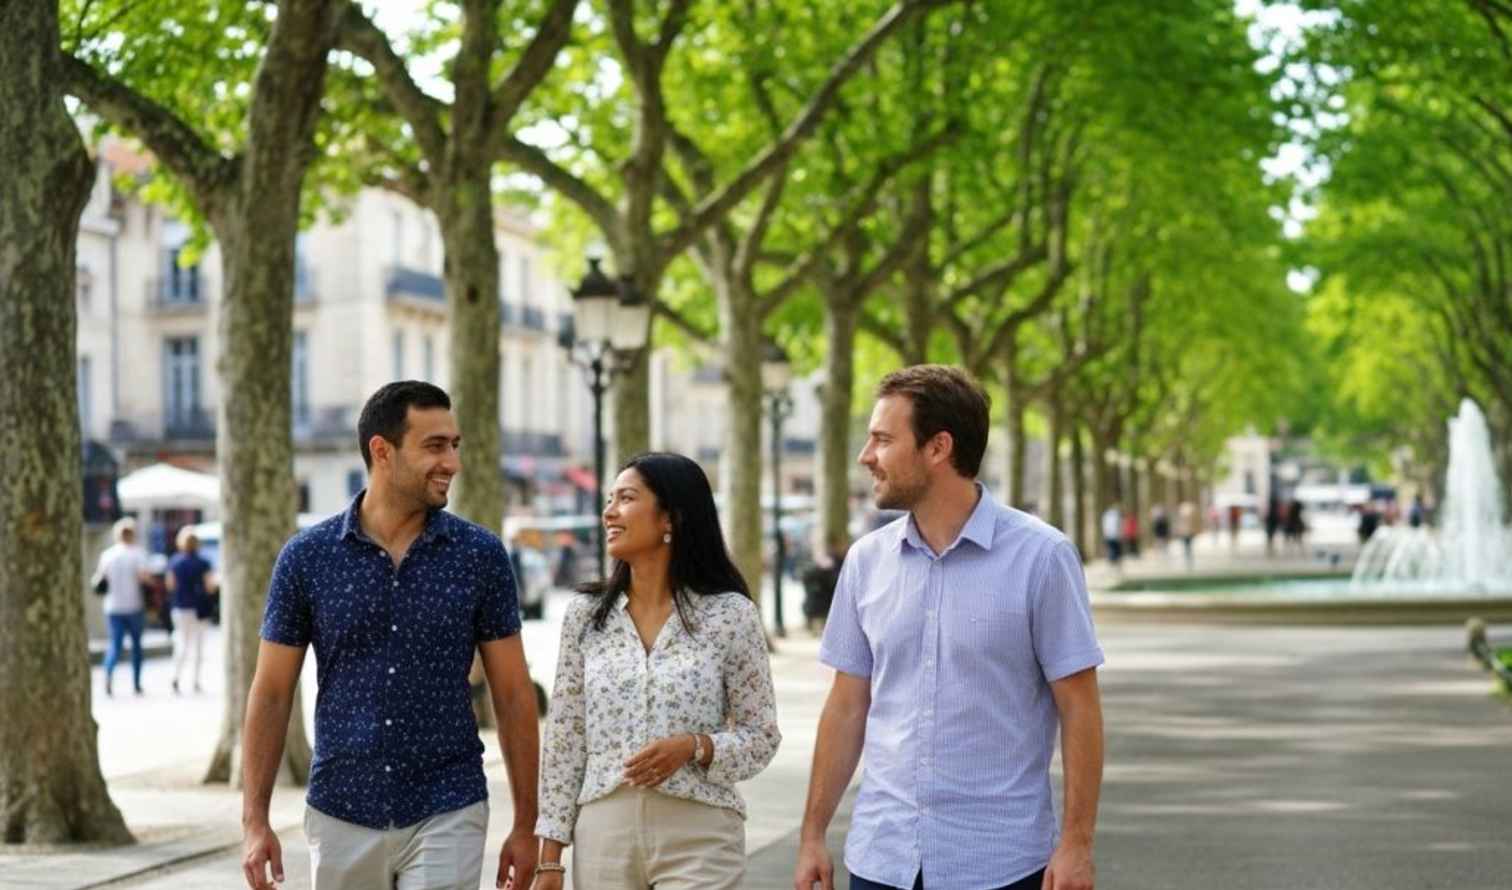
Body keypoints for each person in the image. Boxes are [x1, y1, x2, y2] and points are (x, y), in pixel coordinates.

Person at [795, 365, 1104, 890]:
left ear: (937, 448)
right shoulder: (867, 561)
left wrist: (1076, 844)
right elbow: (847, 704)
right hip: (881, 858)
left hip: (999, 862)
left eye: (883, 440)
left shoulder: (1042, 557)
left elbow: (1079, 707)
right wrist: (812, 835)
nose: (866, 456)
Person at [240, 381, 540, 890]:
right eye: (435, 446)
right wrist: (254, 820)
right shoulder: (307, 558)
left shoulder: (480, 556)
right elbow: (271, 692)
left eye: (455, 445)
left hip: (449, 802)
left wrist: (527, 824)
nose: (452, 462)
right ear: (382, 451)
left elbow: (512, 693)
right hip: (341, 807)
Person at [535, 452, 780, 890]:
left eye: (626, 498)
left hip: (700, 834)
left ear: (671, 517)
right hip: (603, 835)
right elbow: (565, 737)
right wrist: (550, 859)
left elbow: (761, 737)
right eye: (610, 499)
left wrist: (695, 746)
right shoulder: (585, 616)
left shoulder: (730, 615)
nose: (609, 511)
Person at [91, 516, 154, 697]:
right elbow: (145, 578)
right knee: (136, 646)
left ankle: (108, 673)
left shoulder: (108, 555)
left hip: (113, 606)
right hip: (134, 605)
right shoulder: (138, 554)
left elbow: (100, 579)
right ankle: (136, 683)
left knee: (115, 644)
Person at [165, 527, 217, 694]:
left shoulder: (174, 561)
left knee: (182, 644)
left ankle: (175, 677)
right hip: (199, 609)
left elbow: (170, 585)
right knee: (198, 647)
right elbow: (210, 587)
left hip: (180, 607)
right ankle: (195, 681)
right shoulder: (204, 563)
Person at [1175, 501, 1199, 570]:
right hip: (1186, 532)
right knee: (1187, 545)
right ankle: (1188, 557)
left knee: (1187, 545)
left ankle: (1188, 557)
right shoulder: (1186, 514)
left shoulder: (1185, 515)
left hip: (1187, 532)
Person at [1100, 501, 1123, 568]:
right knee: (1114, 549)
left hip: (1109, 534)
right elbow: (1119, 525)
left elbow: (1104, 526)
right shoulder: (1117, 515)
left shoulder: (1106, 515)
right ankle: (1114, 563)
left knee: (1112, 549)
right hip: (1114, 535)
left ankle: (1112, 562)